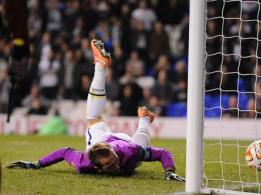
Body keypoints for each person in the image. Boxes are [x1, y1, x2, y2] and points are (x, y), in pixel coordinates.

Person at [6, 39, 185, 181]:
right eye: (111, 165)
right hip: (113, 141)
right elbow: (64, 152)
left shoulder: (126, 152)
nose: (116, 166)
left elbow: (163, 153)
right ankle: (144, 117)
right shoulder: (85, 163)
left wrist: (169, 171)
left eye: (114, 161)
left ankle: (100, 66)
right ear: (97, 168)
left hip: (113, 141)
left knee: (96, 121)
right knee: (139, 145)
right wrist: (37, 165)